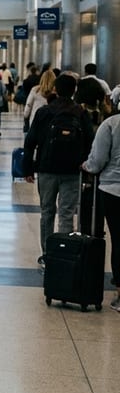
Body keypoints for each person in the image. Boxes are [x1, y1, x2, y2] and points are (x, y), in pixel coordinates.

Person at [24, 74, 94, 263]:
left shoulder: (45, 112)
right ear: (74, 91)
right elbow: (90, 141)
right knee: (66, 213)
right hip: (72, 170)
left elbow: (30, 141)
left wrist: (28, 168)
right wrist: (86, 166)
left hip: (47, 168)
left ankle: (47, 253)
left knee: (47, 211)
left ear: (55, 89)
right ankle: (63, 254)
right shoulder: (80, 112)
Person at [84, 109, 120, 310]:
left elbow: (97, 161)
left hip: (113, 189)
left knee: (118, 239)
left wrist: (87, 166)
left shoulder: (110, 124)